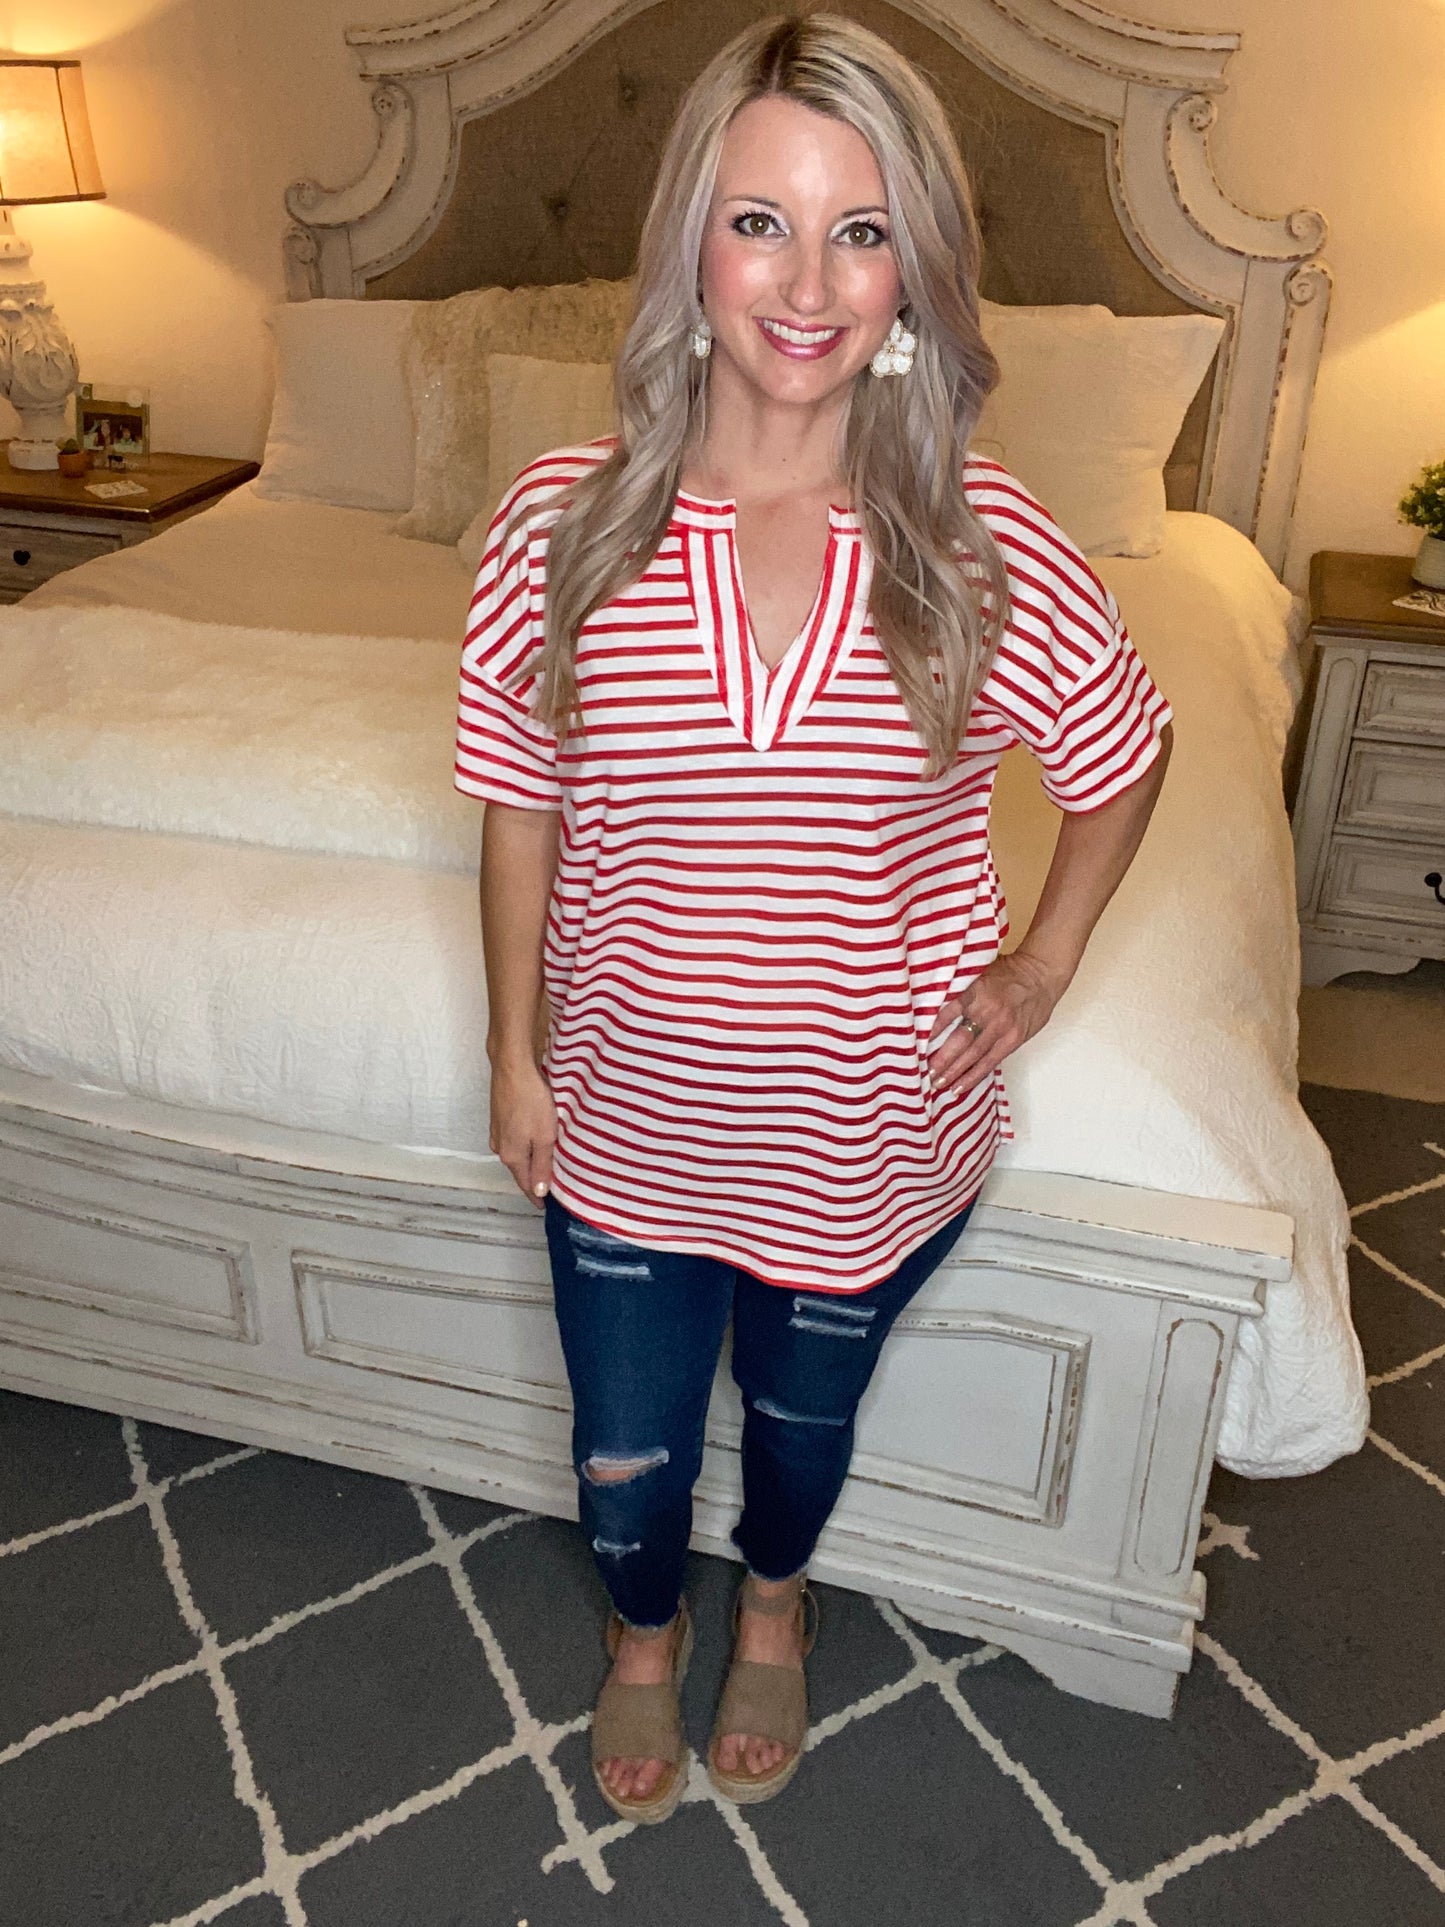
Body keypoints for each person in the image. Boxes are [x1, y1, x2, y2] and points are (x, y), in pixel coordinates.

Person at [455, 12, 1172, 1825]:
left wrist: (1044, 959)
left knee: (798, 1428)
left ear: (911, 273)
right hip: (626, 1120)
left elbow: (1124, 754)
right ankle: (641, 1635)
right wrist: (512, 1051)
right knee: (623, 1458)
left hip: (864, 1129)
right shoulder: (558, 525)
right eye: (758, 220)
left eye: (860, 232)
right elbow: (521, 802)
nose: (804, 282)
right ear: (690, 248)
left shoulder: (979, 544)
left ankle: (771, 1604)